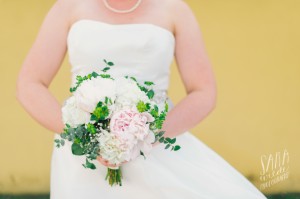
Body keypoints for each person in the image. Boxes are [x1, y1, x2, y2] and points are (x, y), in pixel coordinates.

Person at [16, 0, 267, 198]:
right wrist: (84, 135)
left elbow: (203, 91)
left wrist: (146, 135)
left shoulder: (175, 9)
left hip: (156, 146)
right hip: (83, 156)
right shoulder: (68, 6)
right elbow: (30, 84)